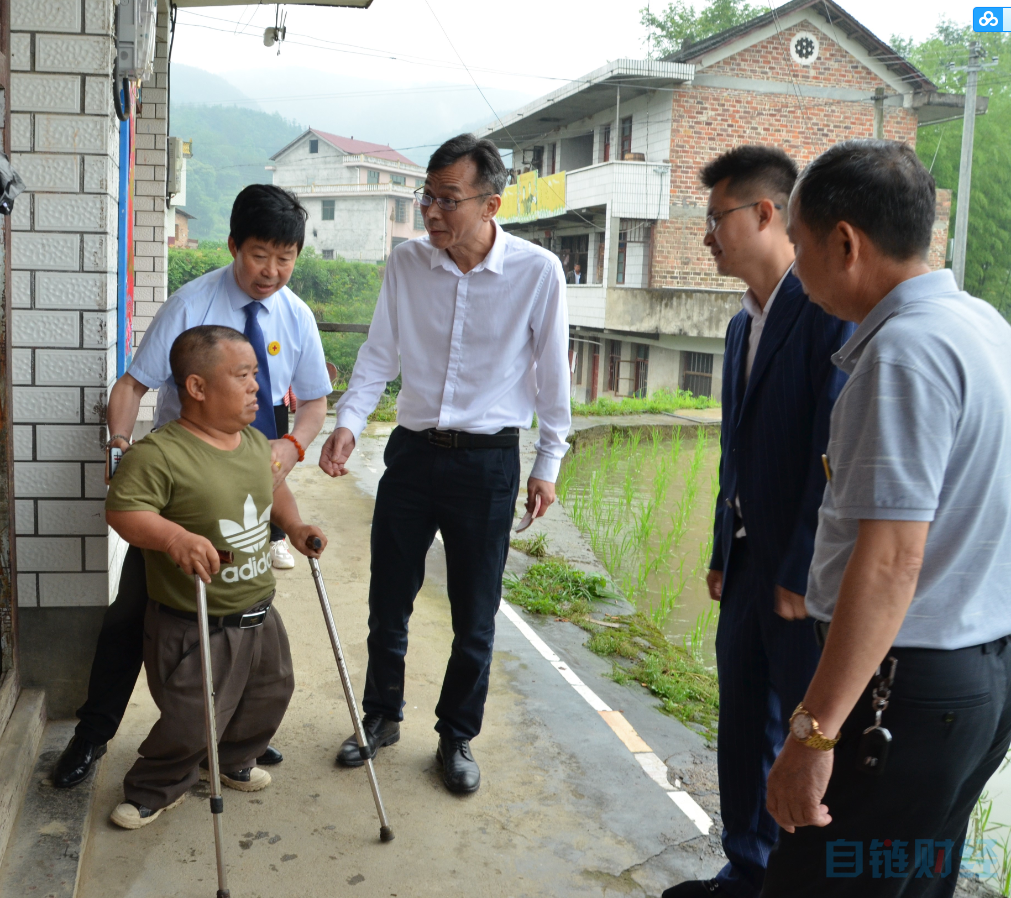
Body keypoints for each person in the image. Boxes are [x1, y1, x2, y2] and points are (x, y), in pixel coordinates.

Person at [761, 140, 1011, 895]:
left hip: (897, 696)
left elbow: (892, 559)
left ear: (845, 242)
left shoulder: (903, 354)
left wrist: (813, 732)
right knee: (906, 881)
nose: (796, 274)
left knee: (826, 881)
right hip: (974, 680)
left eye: (798, 247)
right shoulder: (983, 329)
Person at [53, 185, 332, 789]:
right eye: (260, 255)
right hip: (189, 484)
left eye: (286, 259)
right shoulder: (191, 303)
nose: (272, 272)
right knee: (136, 613)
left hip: (255, 480)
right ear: (234, 245)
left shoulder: (296, 315)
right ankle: (92, 736)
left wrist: (292, 446)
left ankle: (236, 734)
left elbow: (313, 401)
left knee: (250, 616)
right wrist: (121, 451)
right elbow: (132, 387)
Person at [318, 133, 571, 794]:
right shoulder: (406, 264)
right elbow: (378, 355)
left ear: (490, 203)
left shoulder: (536, 272)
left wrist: (547, 463)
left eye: (447, 200)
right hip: (409, 457)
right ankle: (380, 718)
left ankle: (455, 737)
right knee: (387, 600)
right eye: (426, 197)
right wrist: (348, 424)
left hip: (487, 464)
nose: (431, 212)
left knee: (474, 613)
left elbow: (551, 375)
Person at [664, 147, 853, 898]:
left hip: (796, 583)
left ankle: (792, 882)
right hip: (745, 565)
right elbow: (736, 450)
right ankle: (744, 869)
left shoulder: (822, 312)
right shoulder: (742, 324)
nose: (706, 236)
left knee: (804, 741)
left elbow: (828, 454)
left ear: (766, 214)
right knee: (741, 726)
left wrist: (798, 572)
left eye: (715, 219)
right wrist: (722, 548)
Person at [105, 325, 326, 829]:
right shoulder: (159, 454)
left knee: (269, 693)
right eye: (243, 375)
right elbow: (122, 510)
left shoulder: (252, 442)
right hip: (193, 619)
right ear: (197, 387)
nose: (256, 387)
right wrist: (173, 538)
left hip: (258, 611)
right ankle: (156, 786)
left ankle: (229, 760)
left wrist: (294, 525)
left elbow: (274, 488)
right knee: (189, 717)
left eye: (256, 375)